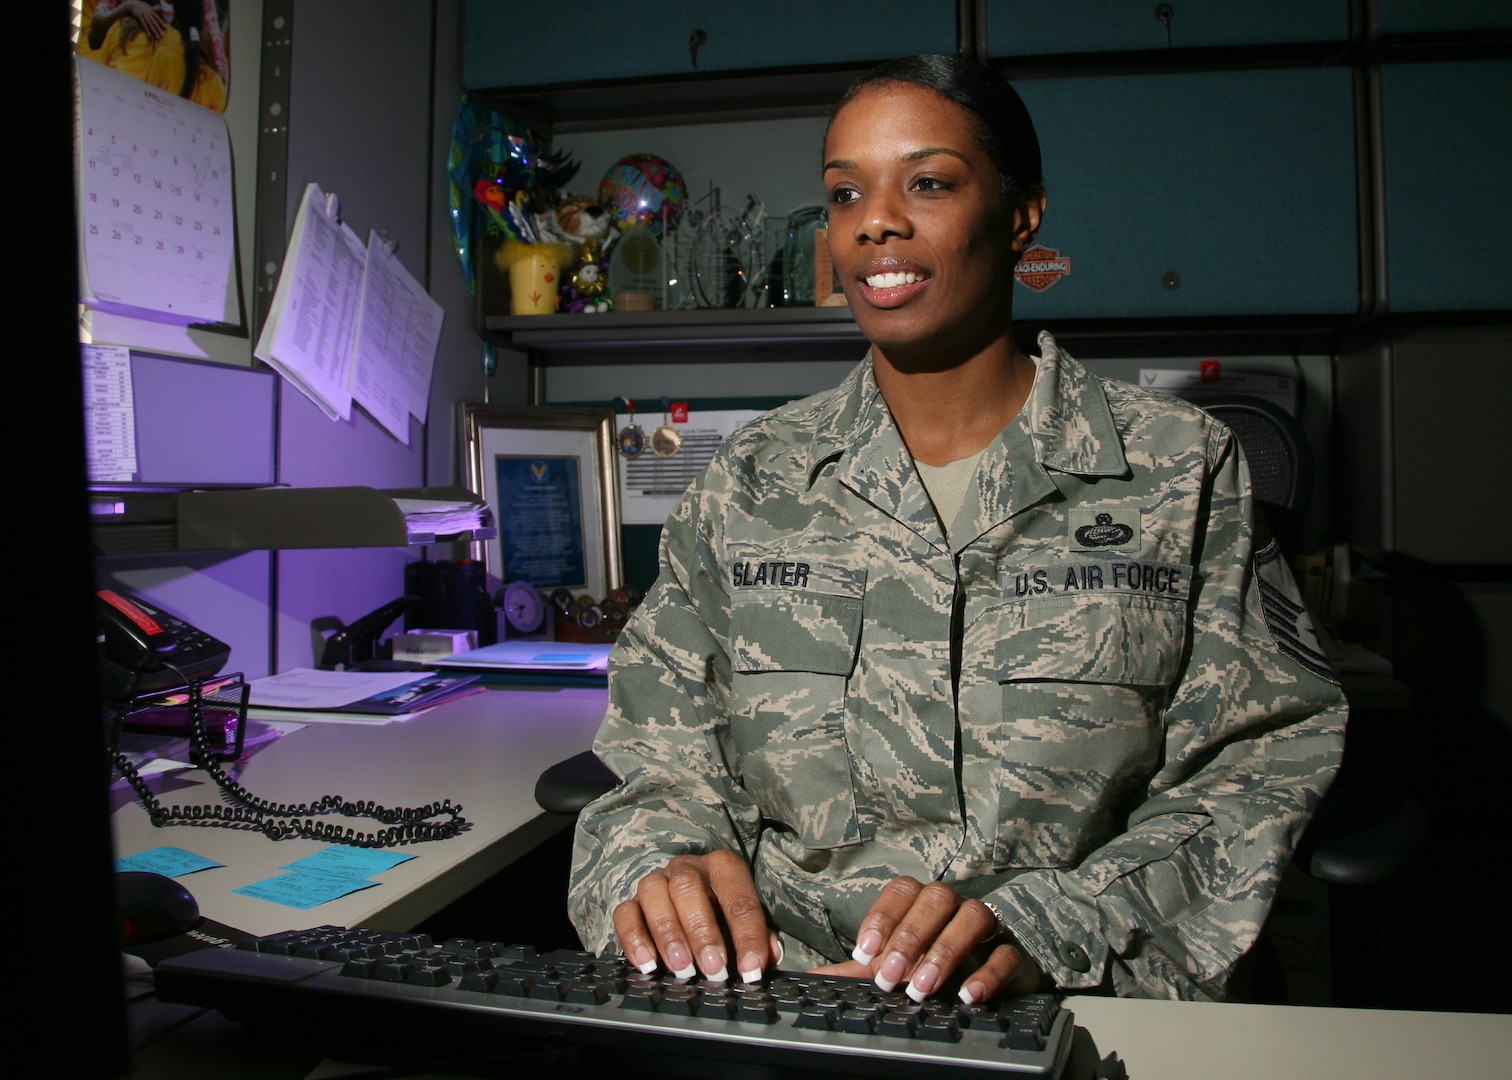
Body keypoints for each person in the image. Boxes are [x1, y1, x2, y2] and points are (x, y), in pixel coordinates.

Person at [567, 54, 1346, 1003]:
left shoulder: (1181, 468)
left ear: (1022, 215)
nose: (876, 221)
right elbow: (656, 753)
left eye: (928, 183)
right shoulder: (751, 480)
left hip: (1062, 999)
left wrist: (1057, 926)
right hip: (782, 1001)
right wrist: (661, 862)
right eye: (845, 192)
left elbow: (1259, 762)